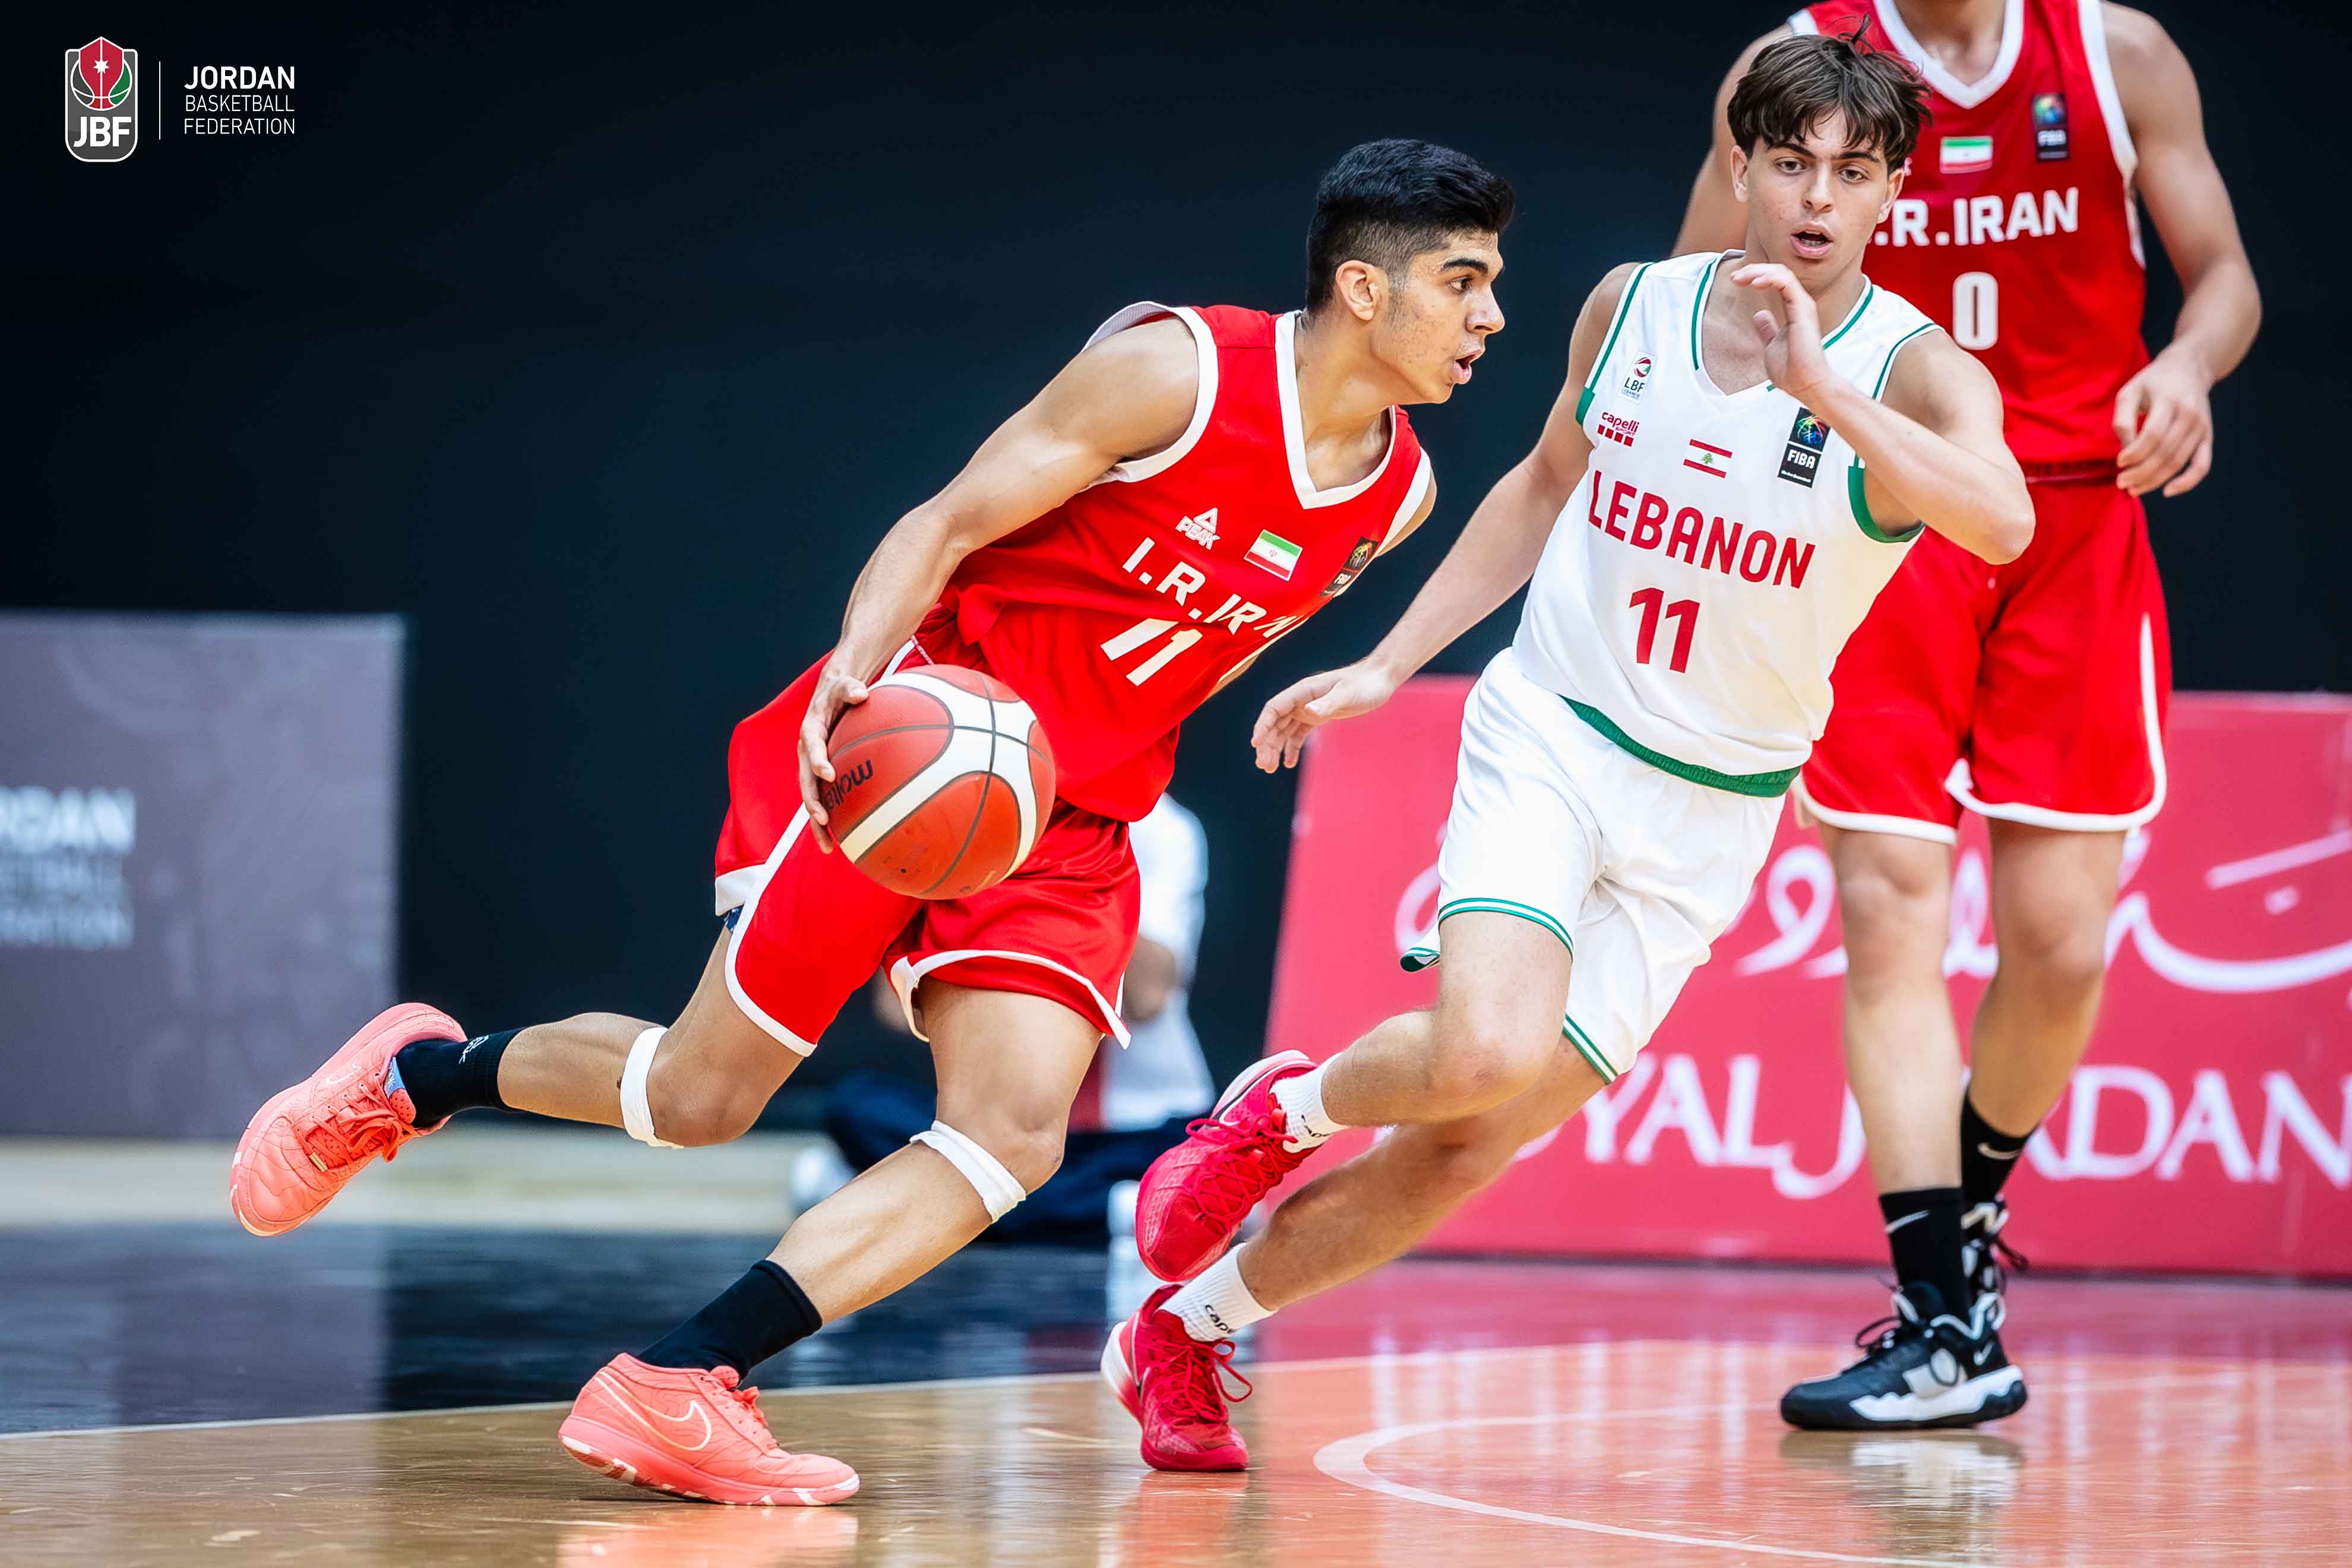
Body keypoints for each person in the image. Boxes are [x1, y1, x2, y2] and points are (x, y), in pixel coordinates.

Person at [226, 137, 1509, 1506]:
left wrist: (1302, 694)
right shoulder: (1177, 374)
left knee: (1012, 1139)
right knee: (695, 1102)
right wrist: (854, 670)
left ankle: (684, 1375)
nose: (1489, 315)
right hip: (922, 739)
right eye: (1462, 280)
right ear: (1362, 288)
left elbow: (1183, 639)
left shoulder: (1399, 495)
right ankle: (417, 1080)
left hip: (1071, 818)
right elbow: (944, 522)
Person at [1104, 31, 2033, 1473]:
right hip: (1553, 729)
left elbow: (2004, 521)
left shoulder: (1910, 372)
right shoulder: (1632, 305)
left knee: (1470, 1139)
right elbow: (1544, 485)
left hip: (1712, 807)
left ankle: (1189, 1328)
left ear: (1891, 193)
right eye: (1788, 163)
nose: (1815, 197)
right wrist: (1388, 663)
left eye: (1852, 174)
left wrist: (1821, 393)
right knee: (1483, 1043)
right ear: (1739, 166)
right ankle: (1279, 1114)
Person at [1674, 2, 2258, 1429]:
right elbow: (1689, 300)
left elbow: (2226, 279)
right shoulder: (1799, 60)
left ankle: (1971, 1225)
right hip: (1878, 517)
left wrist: (2185, 365)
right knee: (1887, 907)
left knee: (2059, 948)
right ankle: (1938, 1315)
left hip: (2072, 520)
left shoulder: (2113, 56)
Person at [802, 793, 1215, 1244]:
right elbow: (897, 1009)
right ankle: (1118, 1210)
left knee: (1194, 1152)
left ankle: (903, 1199)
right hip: (994, 1126)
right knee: (858, 1107)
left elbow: (1147, 998)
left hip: (1131, 1125)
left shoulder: (1161, 826)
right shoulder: (969, 800)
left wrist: (1074, 877)